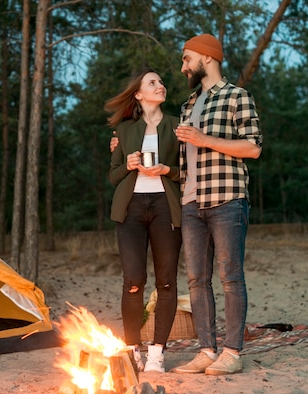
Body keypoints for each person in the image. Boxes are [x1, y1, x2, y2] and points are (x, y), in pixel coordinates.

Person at [171, 34, 263, 375]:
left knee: (230, 278)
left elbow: (253, 148)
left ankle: (232, 353)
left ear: (206, 58)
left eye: (186, 59)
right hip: (191, 202)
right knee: (196, 280)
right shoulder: (187, 105)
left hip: (227, 199)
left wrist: (205, 139)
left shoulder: (238, 97)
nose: (183, 67)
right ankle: (206, 351)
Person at [105, 69, 182, 373]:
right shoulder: (124, 131)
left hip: (166, 208)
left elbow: (187, 172)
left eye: (161, 82)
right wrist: (127, 164)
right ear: (138, 94)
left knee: (166, 281)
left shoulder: (177, 127)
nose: (160, 85)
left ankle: (157, 354)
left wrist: (167, 171)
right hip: (131, 210)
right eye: (153, 82)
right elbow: (113, 177)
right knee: (133, 281)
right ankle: (133, 350)